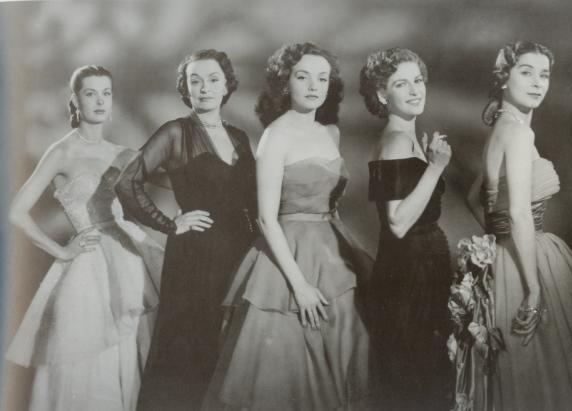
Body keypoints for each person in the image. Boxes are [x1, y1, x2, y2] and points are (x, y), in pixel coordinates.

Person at [203, 42, 372, 411]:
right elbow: (266, 218)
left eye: (322, 78)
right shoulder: (275, 136)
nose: (314, 86)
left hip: (333, 254)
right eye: (303, 76)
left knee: (344, 358)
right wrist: (301, 286)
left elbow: (331, 204)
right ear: (285, 82)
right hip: (287, 257)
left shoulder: (331, 133)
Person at [6, 65, 163, 411]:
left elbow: (163, 192)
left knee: (126, 364)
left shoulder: (123, 153)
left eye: (106, 93)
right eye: (90, 93)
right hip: (87, 271)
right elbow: (16, 211)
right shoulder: (62, 152)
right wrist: (60, 251)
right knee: (87, 369)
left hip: (129, 264)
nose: (100, 101)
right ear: (75, 100)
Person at [115, 49, 257, 410]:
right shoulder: (175, 132)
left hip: (239, 252)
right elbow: (127, 182)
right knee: (188, 351)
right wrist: (170, 223)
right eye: (195, 81)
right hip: (194, 256)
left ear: (226, 85)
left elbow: (250, 197)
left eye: (212, 79)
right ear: (186, 88)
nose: (204, 87)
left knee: (229, 350)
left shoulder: (240, 136)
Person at [467, 40, 572, 410]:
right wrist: (534, 289)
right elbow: (520, 213)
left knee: (523, 377)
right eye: (526, 72)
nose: (538, 82)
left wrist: (498, 239)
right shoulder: (519, 133)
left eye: (544, 74)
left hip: (503, 260)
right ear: (504, 78)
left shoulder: (500, 129)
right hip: (529, 262)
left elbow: (475, 198)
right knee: (546, 378)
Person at [359, 47, 453, 411]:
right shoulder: (396, 140)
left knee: (422, 378)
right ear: (382, 95)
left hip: (418, 270)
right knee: (415, 383)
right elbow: (397, 222)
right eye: (401, 84)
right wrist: (435, 168)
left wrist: (427, 164)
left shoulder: (405, 138)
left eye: (418, 80)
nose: (415, 90)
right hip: (408, 277)